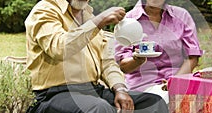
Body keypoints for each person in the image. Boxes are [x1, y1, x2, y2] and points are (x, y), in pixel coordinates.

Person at [24, 0, 168, 113]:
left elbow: (106, 61)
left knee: (153, 103)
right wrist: (98, 22)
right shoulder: (44, 10)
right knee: (99, 109)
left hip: (93, 90)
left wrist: (120, 89)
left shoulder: (87, 15)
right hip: (54, 94)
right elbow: (59, 48)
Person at [115, 0, 203, 103]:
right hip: (143, 86)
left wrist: (174, 82)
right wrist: (137, 60)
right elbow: (124, 66)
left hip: (178, 81)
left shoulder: (182, 16)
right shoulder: (128, 20)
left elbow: (192, 57)